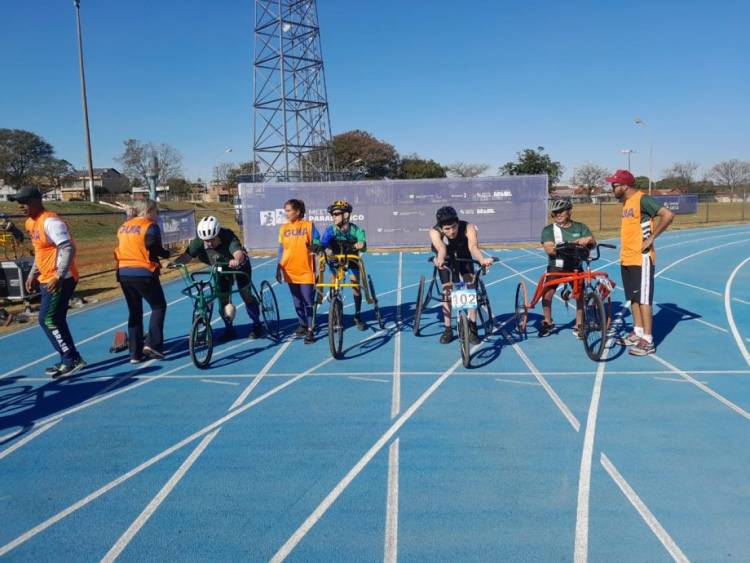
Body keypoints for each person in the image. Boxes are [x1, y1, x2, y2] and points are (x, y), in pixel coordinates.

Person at [11, 187, 86, 378]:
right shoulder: (30, 223)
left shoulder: (51, 222)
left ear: (37, 201)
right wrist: (32, 274)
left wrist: (59, 276)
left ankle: (70, 359)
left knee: (47, 319)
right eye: (19, 202)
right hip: (46, 278)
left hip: (60, 279)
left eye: (25, 202)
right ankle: (71, 358)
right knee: (56, 319)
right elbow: (40, 251)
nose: (21, 206)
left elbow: (68, 248)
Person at [608, 169, 675, 356]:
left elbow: (668, 215)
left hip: (641, 257)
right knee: (634, 298)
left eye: (614, 185)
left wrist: (652, 238)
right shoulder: (626, 202)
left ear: (624, 185)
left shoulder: (642, 199)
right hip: (627, 257)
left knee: (644, 299)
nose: (612, 188)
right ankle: (637, 332)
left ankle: (648, 340)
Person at [172, 216, 263, 340]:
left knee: (245, 294)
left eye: (211, 240)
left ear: (218, 234)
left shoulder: (227, 235)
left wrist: (236, 260)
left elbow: (238, 253)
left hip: (239, 265)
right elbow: (186, 256)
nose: (208, 243)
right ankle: (229, 328)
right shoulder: (198, 241)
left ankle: (257, 324)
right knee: (223, 299)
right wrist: (174, 263)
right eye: (206, 240)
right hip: (220, 268)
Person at [429, 206, 495, 345]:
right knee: (447, 290)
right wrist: (440, 259)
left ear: (458, 223)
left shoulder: (468, 227)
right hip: (446, 257)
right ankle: (447, 329)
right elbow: (441, 248)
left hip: (464, 255)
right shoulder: (434, 232)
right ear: (441, 228)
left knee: (470, 287)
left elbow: (473, 247)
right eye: (447, 229)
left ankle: (473, 326)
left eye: (454, 227)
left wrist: (482, 260)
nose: (452, 231)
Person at [114, 198, 169, 363]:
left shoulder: (124, 226)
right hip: (143, 271)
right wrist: (166, 254)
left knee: (135, 312)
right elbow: (152, 244)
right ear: (147, 211)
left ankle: (134, 353)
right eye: (156, 212)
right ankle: (153, 344)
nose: (157, 215)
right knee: (158, 306)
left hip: (124, 271)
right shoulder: (149, 226)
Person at [539, 198, 596, 338]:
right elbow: (550, 249)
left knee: (580, 295)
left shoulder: (580, 227)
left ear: (569, 212)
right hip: (556, 266)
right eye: (555, 213)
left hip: (575, 266)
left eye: (561, 211)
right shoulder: (549, 230)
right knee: (547, 293)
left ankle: (579, 324)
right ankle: (547, 321)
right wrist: (574, 243)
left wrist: (588, 240)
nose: (558, 214)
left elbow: (593, 243)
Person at [276, 199, 320, 344]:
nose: (286, 213)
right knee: (296, 301)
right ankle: (302, 324)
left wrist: (315, 245)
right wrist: (278, 267)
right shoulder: (283, 228)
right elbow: (281, 249)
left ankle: (310, 330)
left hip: (306, 270)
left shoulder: (308, 225)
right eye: (285, 210)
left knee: (308, 300)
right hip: (289, 270)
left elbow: (316, 240)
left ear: (298, 211)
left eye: (288, 210)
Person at [320, 199, 368, 330]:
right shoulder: (331, 230)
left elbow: (363, 245)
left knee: (355, 284)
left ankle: (357, 316)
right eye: (333, 214)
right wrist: (321, 248)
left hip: (351, 258)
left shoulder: (355, 230)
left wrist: (361, 244)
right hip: (336, 259)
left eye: (336, 214)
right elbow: (323, 242)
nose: (333, 217)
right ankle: (336, 309)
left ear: (345, 215)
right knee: (333, 282)